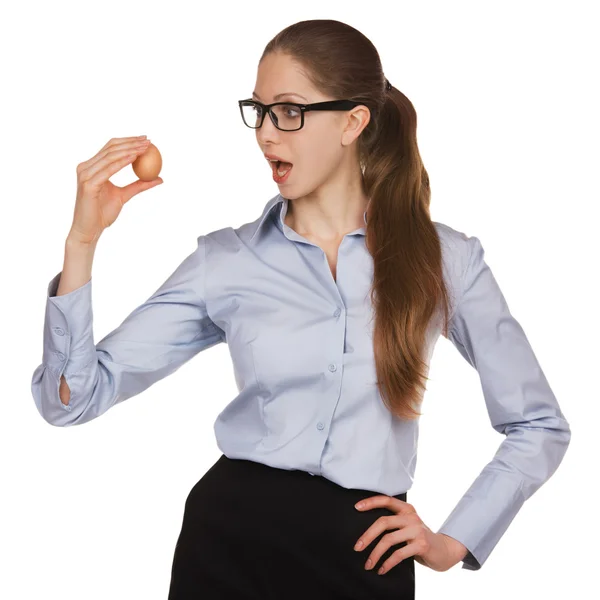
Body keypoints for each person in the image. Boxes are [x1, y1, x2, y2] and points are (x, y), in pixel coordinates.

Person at [31, 18, 571, 600]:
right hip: (226, 545)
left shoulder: (446, 259)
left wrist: (455, 540)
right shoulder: (227, 260)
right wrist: (82, 242)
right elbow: (72, 400)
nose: (266, 134)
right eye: (258, 110)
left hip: (368, 556)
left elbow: (539, 425)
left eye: (289, 111)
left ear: (353, 121)